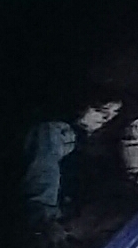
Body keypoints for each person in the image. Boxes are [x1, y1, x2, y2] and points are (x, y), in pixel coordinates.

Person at [21, 95, 126, 229]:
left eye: (114, 113)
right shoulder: (54, 131)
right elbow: (43, 172)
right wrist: (46, 220)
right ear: (81, 107)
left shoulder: (89, 140)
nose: (107, 118)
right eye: (101, 111)